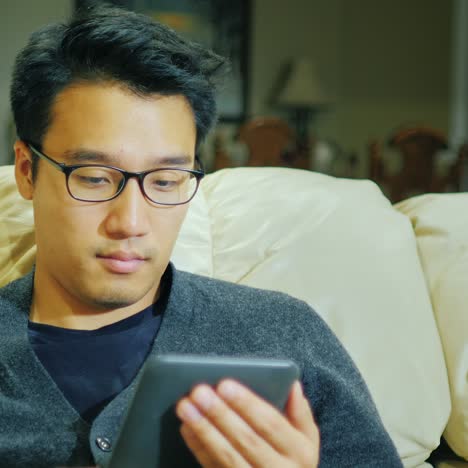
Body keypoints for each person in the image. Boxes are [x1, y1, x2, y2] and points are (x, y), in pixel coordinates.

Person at [1, 4, 403, 467]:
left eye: (166, 181)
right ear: (28, 171)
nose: (130, 221)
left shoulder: (283, 336)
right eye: (93, 177)